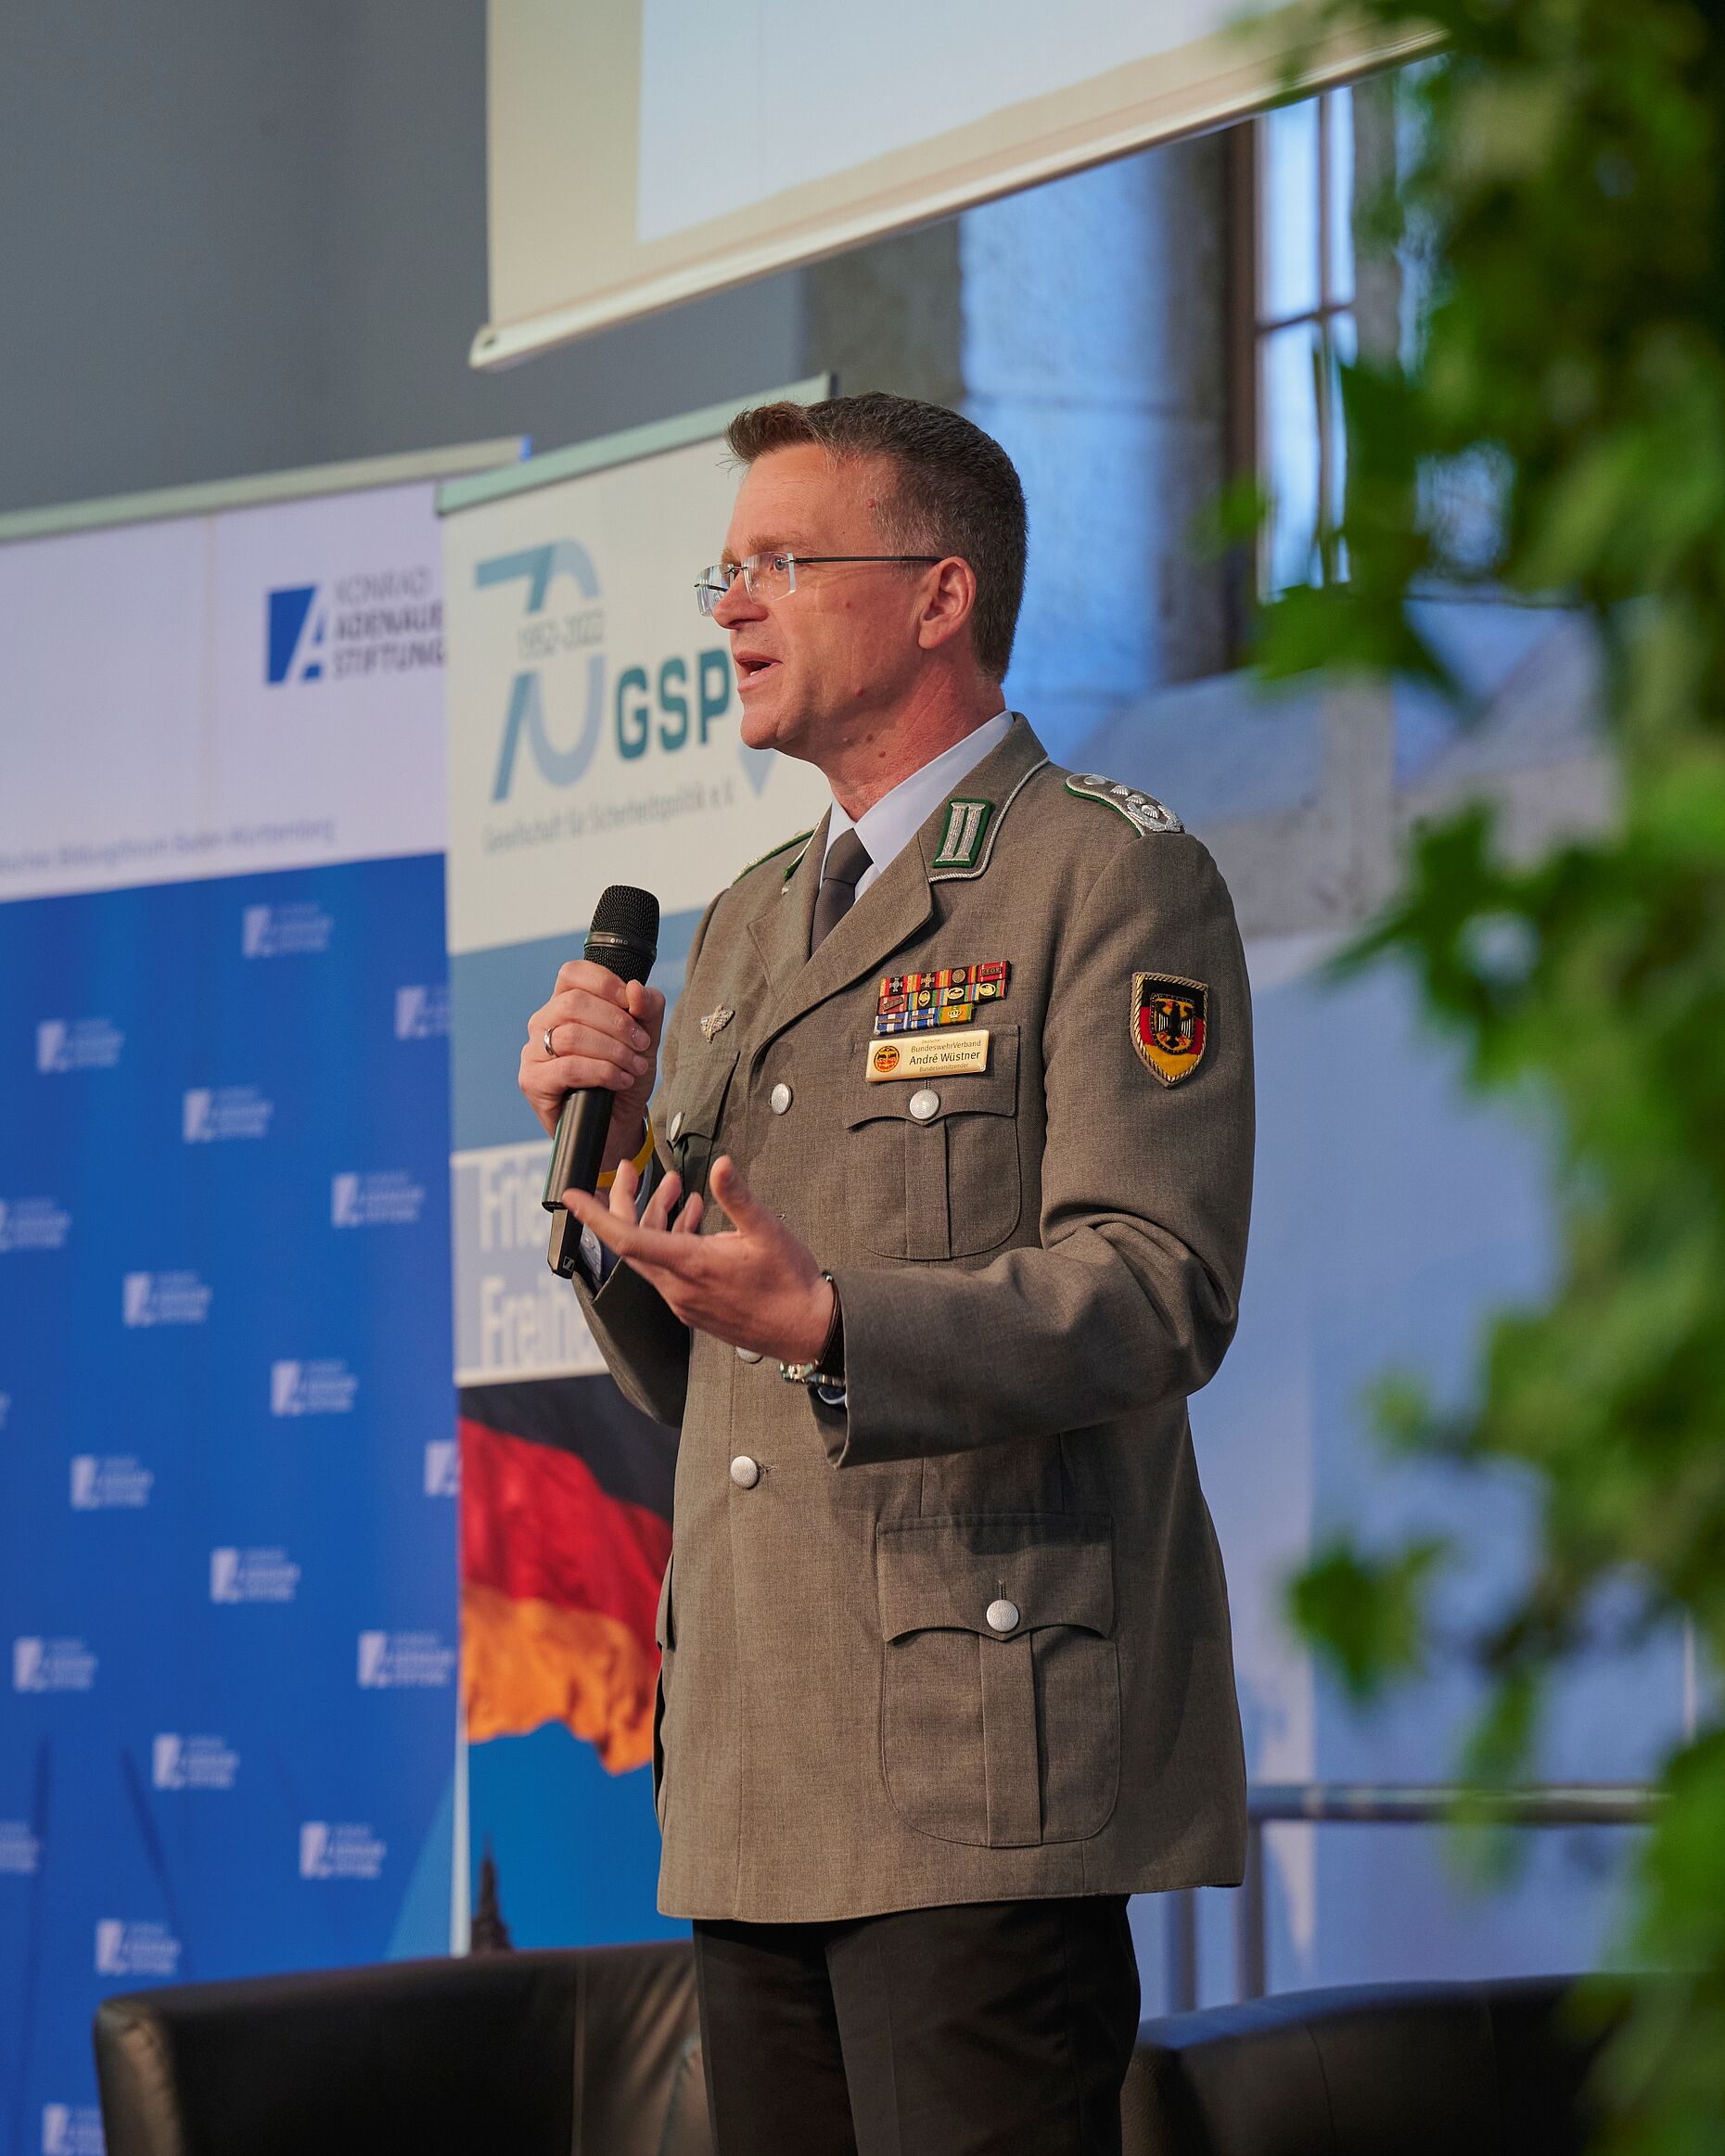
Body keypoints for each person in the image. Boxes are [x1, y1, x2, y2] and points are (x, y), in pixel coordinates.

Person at [518, 392, 1254, 2156]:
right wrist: (608, 1165)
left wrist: (839, 1320)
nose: (731, 607)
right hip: (757, 1761)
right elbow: (710, 1355)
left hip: (973, 1765)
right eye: (726, 569)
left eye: (778, 562)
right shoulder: (754, 914)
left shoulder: (1110, 874)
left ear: (939, 597)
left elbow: (1161, 1285)